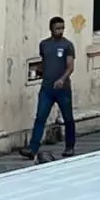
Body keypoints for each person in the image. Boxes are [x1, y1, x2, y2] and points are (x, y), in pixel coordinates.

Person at [20, 16, 77, 160]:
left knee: (68, 118)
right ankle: (33, 149)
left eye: (62, 28)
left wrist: (62, 79)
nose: (60, 31)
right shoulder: (44, 45)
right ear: (51, 29)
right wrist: (39, 71)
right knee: (40, 117)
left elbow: (70, 67)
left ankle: (70, 146)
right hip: (46, 88)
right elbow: (44, 62)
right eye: (57, 28)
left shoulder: (67, 45)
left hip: (63, 89)